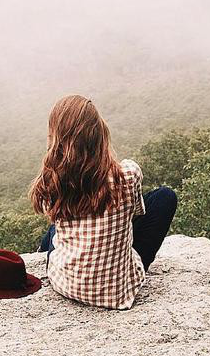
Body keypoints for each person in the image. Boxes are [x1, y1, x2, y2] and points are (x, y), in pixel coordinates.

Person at [29, 95, 177, 310]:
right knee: (164, 197)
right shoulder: (128, 173)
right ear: (99, 132)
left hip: (65, 284)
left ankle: (40, 253)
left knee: (55, 228)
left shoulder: (52, 181)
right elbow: (136, 213)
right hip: (117, 292)